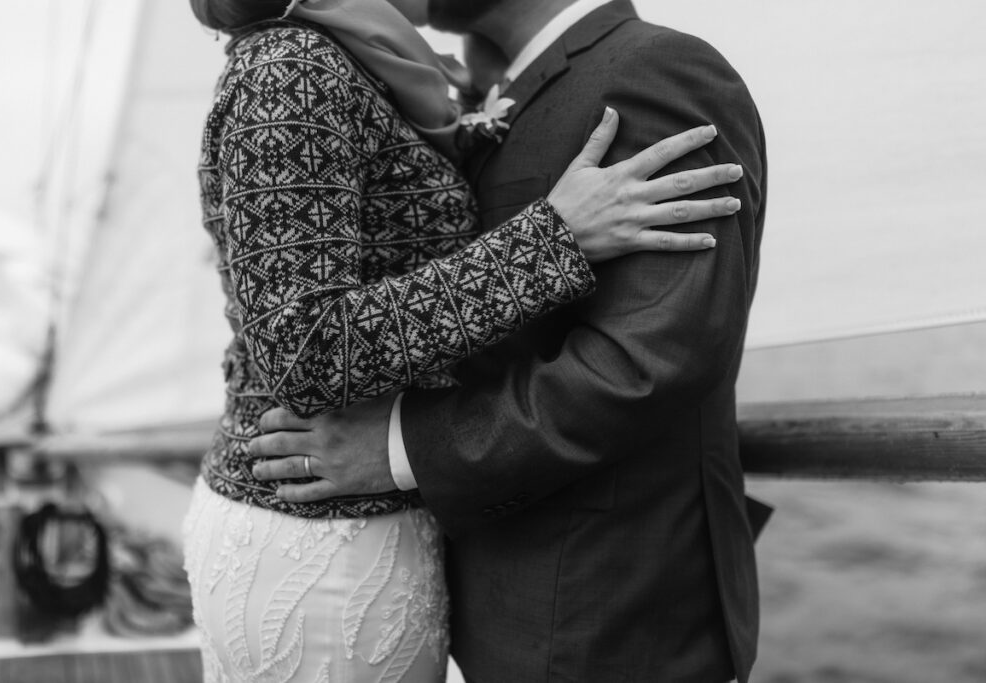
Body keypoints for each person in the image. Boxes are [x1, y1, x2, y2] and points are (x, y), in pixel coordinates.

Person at [183, 0, 747, 681]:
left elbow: (655, 356)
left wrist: (404, 448)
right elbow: (301, 345)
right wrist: (550, 242)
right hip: (321, 534)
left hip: (558, 586)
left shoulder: (643, 71)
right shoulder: (292, 68)